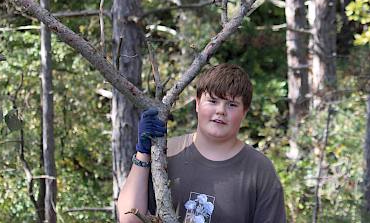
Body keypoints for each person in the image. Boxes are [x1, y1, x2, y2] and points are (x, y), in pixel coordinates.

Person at [116, 63, 286, 223]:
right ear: (197, 103)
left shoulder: (260, 170)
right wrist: (144, 152)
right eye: (213, 101)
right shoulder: (164, 152)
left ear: (244, 112)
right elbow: (129, 219)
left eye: (232, 104)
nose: (221, 111)